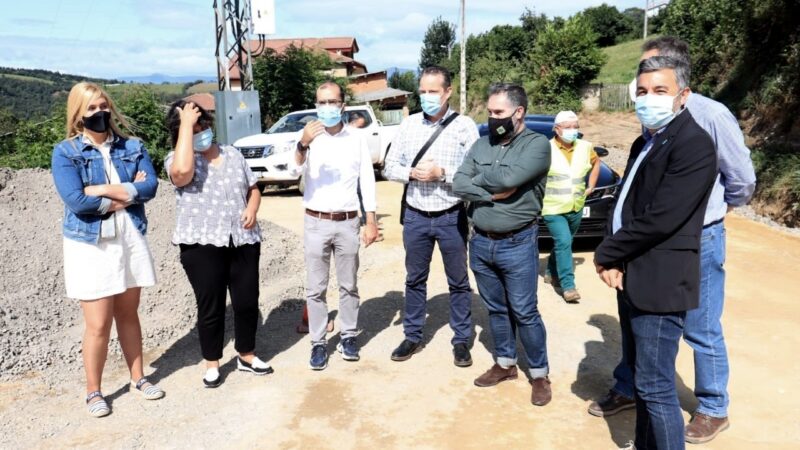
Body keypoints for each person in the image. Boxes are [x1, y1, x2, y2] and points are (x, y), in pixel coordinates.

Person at [591, 36, 757, 445]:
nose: (646, 96)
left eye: (658, 88)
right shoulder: (649, 133)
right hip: (641, 256)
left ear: (683, 90)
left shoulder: (703, 127)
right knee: (649, 376)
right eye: (642, 88)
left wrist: (712, 211)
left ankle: (713, 406)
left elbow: (730, 184)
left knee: (693, 339)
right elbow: (631, 198)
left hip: (683, 248)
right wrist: (617, 254)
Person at [51, 82, 164, 417]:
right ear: (78, 114)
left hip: (129, 238)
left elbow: (151, 186)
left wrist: (102, 189)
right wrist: (125, 195)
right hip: (91, 245)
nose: (100, 113)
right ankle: (93, 391)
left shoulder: (133, 145)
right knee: (98, 323)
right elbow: (76, 200)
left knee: (128, 314)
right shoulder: (66, 152)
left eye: (103, 106)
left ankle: (138, 378)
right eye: (91, 109)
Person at [453, 83, 553, 406]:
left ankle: (539, 373)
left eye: (499, 113)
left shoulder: (537, 145)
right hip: (481, 242)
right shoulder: (481, 145)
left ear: (518, 112)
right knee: (496, 308)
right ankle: (505, 363)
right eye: (490, 112)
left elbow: (510, 181)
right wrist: (490, 191)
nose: (492, 118)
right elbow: (458, 182)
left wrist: (480, 182)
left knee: (524, 311)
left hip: (517, 243)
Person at [165, 100, 272, 388]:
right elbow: (182, 174)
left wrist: (252, 208)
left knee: (247, 301)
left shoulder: (233, 154)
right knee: (210, 305)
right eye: (193, 127)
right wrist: (186, 126)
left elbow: (253, 189)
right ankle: (212, 362)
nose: (201, 131)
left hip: (243, 239)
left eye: (203, 125)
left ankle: (246, 355)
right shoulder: (175, 159)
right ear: (179, 132)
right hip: (201, 244)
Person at [382, 66, 479, 366]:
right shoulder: (408, 126)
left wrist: (442, 174)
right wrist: (411, 173)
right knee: (414, 279)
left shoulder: (464, 126)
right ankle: (412, 335)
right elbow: (388, 166)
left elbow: (475, 173)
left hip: (451, 215)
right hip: (415, 216)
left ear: (448, 91)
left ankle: (462, 339)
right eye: (422, 91)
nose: (427, 97)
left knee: (459, 281)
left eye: (433, 91)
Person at [293, 81, 379, 370]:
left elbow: (366, 179)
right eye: (321, 102)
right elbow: (294, 169)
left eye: (332, 102)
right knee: (316, 288)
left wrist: (371, 219)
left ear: (342, 105)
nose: (326, 107)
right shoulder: (309, 136)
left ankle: (349, 335)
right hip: (316, 221)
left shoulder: (356, 138)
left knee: (349, 284)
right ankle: (318, 342)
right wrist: (302, 143)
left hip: (347, 221)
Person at [541, 110, 601, 303]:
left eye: (575, 127)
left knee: (563, 243)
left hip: (576, 205)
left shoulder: (585, 147)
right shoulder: (546, 149)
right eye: (568, 127)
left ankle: (551, 270)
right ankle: (568, 286)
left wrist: (591, 185)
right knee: (564, 241)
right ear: (556, 129)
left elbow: (596, 162)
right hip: (553, 208)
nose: (572, 130)